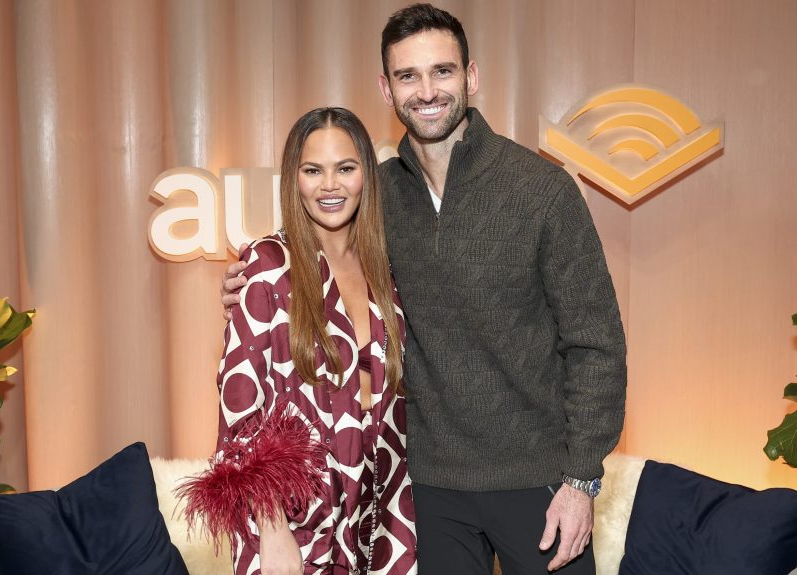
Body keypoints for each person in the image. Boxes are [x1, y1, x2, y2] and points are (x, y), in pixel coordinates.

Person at [223, 5, 626, 574]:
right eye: (408, 76)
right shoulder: (377, 197)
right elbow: (315, 261)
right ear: (386, 90)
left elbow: (597, 346)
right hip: (424, 493)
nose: (427, 90)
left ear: (471, 77)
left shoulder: (541, 190)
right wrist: (253, 282)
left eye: (442, 71)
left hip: (538, 484)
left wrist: (581, 480)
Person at [181, 107, 417, 575]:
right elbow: (240, 407)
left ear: (366, 176)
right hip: (297, 520)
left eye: (345, 168)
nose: (330, 185)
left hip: (384, 514)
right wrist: (272, 530)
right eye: (313, 171)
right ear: (294, 179)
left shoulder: (386, 270)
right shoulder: (268, 264)